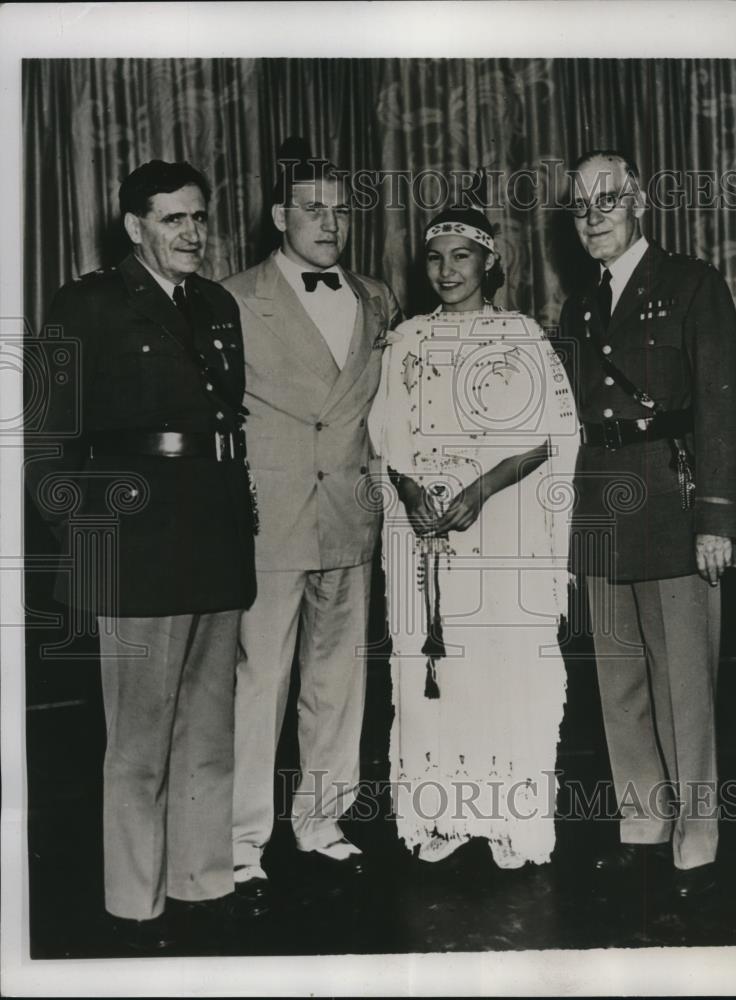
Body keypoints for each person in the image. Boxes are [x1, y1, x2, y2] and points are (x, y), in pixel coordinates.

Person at [26, 160, 257, 950]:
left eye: (198, 216)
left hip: (216, 537)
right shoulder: (86, 304)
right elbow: (47, 439)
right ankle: (134, 903)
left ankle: (203, 883)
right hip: (134, 546)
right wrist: (83, 544)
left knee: (208, 732)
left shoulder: (218, 303)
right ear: (135, 227)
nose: (192, 232)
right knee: (137, 744)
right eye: (172, 220)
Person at [559, 149, 736, 898]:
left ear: (637, 199)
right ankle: (643, 824)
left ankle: (697, 841)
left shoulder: (691, 284)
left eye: (607, 199)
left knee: (685, 687)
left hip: (673, 502)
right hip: (603, 504)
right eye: (580, 205)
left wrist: (719, 519)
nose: (593, 216)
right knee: (620, 681)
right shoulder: (580, 306)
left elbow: (723, 410)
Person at [370, 207, 579, 868]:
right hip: (424, 533)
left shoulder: (521, 335)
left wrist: (480, 490)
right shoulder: (404, 338)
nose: (447, 271)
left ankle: (509, 823)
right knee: (433, 669)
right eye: (436, 258)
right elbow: (385, 436)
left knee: (500, 666)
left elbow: (553, 436)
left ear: (491, 263)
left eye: (463, 257)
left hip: (501, 525)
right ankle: (442, 817)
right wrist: (408, 494)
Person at [222, 139, 400, 907]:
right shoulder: (231, 297)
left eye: (341, 208)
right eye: (313, 208)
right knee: (258, 681)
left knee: (339, 679)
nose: (330, 222)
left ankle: (322, 822)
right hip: (271, 520)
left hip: (349, 519)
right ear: (278, 217)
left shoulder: (376, 297)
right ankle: (239, 841)